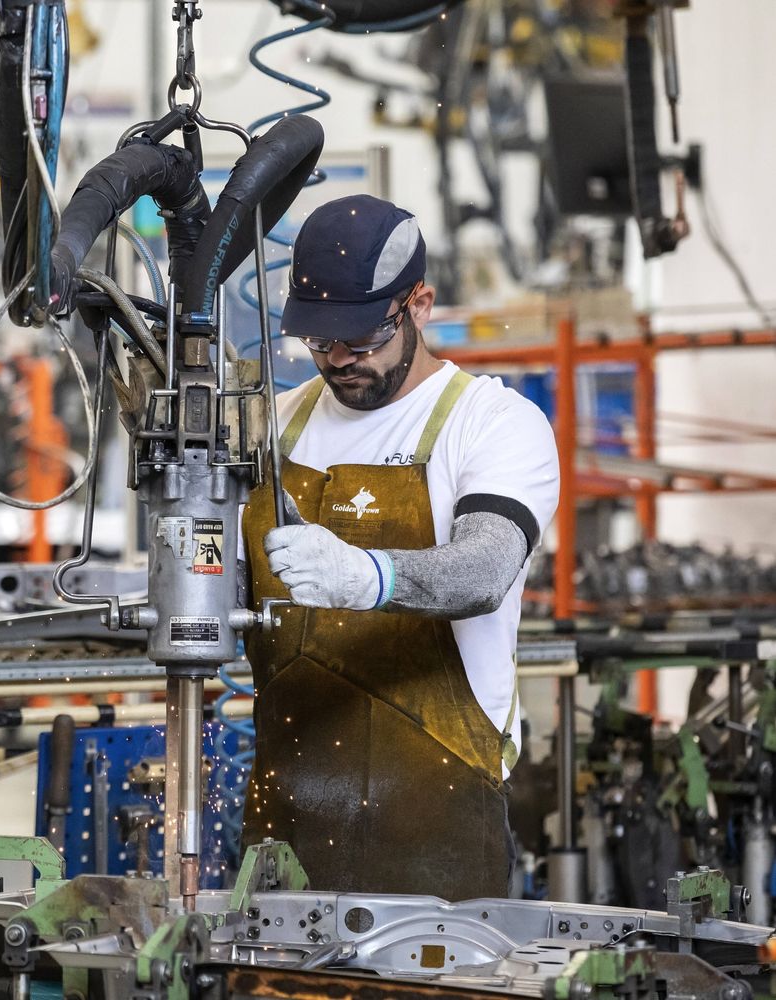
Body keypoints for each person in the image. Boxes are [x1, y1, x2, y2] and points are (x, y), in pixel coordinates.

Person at [240, 194, 560, 900]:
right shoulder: (276, 428)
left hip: (434, 830)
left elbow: (485, 568)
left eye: (362, 340)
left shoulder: (492, 423)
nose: (340, 361)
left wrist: (366, 576)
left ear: (419, 304)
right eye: (321, 343)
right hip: (282, 833)